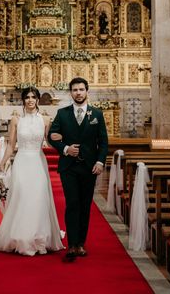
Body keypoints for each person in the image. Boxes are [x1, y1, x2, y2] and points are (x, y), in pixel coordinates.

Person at [0, 87, 65, 256]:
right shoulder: (16, 120)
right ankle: (21, 236)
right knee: (22, 196)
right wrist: (3, 162)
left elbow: (50, 142)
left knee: (38, 197)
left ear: (38, 100)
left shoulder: (45, 120)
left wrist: (64, 145)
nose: (30, 100)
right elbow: (11, 145)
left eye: (33, 97)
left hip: (39, 162)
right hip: (22, 161)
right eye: (27, 97)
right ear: (23, 100)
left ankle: (40, 236)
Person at [48, 77, 108, 261]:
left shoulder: (96, 114)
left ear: (87, 91)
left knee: (85, 205)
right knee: (72, 204)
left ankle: (81, 242)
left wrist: (100, 162)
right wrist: (65, 149)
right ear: (70, 93)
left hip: (89, 168)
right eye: (75, 90)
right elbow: (52, 136)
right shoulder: (62, 113)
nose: (78, 93)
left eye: (81, 89)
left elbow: (103, 142)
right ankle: (72, 245)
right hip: (69, 167)